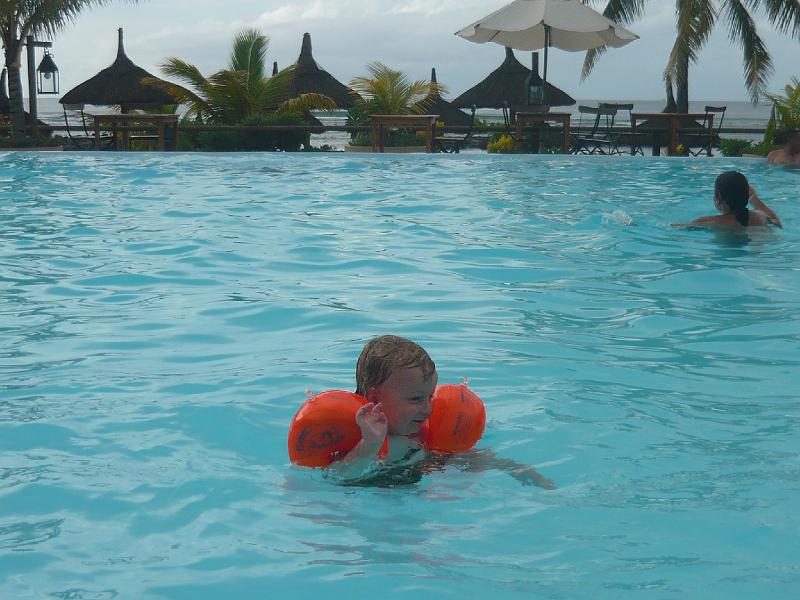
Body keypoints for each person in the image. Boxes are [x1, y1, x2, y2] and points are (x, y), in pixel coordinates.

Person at [328, 334, 554, 488]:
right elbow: (340, 478)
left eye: (430, 396)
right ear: (375, 398)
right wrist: (369, 446)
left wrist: (515, 469)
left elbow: (460, 455)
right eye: (416, 399)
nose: (428, 409)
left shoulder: (421, 432)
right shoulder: (356, 438)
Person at [672, 171, 782, 229]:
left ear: (718, 198)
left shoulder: (710, 222)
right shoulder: (760, 217)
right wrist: (753, 197)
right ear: (746, 195)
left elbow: (679, 227)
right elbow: (777, 222)